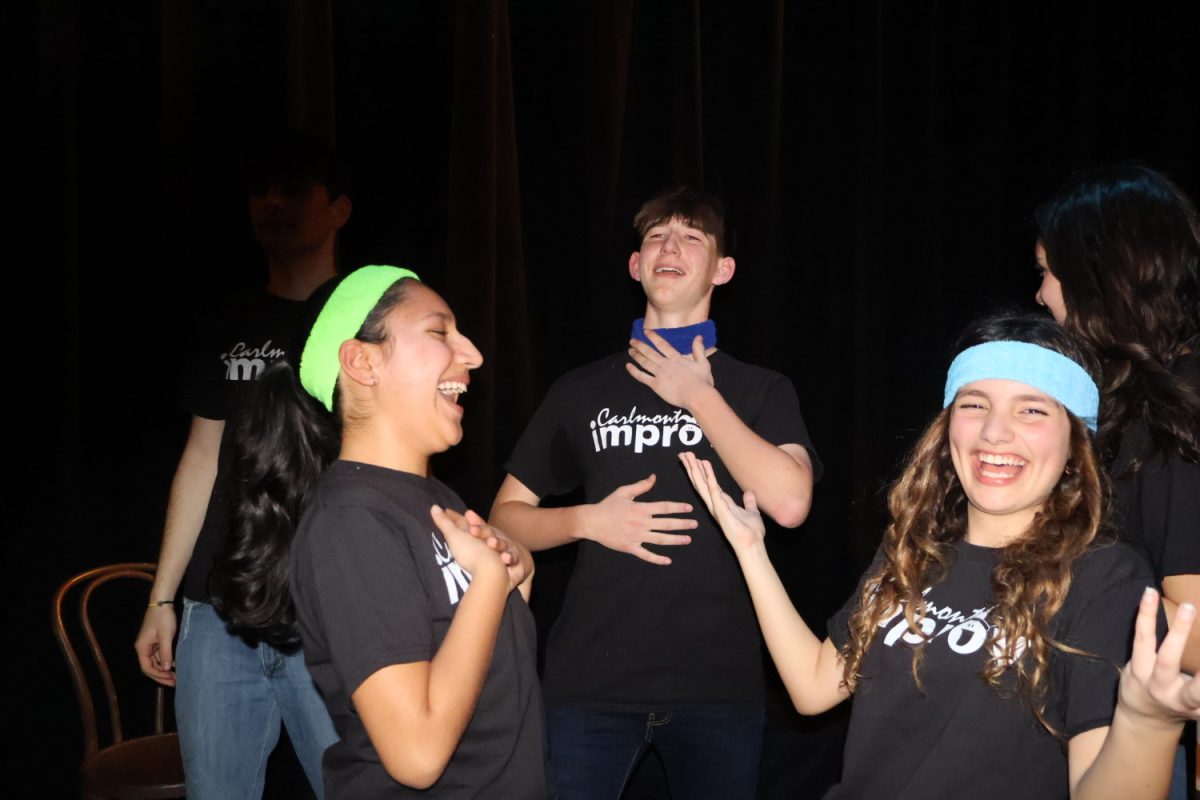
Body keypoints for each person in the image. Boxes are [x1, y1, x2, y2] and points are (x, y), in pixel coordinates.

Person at [680, 312, 1199, 800]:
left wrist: (1146, 722)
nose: (994, 431)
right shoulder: (913, 551)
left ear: (1074, 446)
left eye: (1032, 410)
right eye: (974, 404)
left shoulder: (1103, 577)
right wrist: (751, 549)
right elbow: (814, 687)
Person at [490, 186, 820, 799]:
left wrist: (697, 394)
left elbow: (790, 503)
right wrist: (586, 521)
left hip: (716, 689)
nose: (671, 246)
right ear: (636, 266)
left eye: (691, 237)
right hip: (589, 688)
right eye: (655, 237)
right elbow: (504, 518)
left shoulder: (759, 390)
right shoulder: (581, 389)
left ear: (722, 270)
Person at [219, 265, 549, 798]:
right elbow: (416, 756)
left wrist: (517, 576)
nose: (473, 355)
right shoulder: (351, 522)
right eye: (441, 332)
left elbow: (486, 661)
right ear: (362, 361)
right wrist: (490, 582)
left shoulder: (434, 498)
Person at [134, 136, 350, 798]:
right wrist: (163, 598)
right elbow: (201, 457)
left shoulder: (370, 318)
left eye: (293, 189)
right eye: (261, 191)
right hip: (218, 615)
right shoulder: (226, 318)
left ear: (339, 209)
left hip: (329, 611)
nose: (273, 204)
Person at [1034, 163, 1200, 797]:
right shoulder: (1129, 396)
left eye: (1049, 273)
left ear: (1096, 274)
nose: (1043, 295)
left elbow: (1188, 631)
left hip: (1127, 739)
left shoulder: (1170, 408)